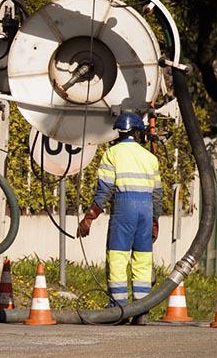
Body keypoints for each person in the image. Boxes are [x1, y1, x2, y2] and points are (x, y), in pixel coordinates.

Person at [77, 112, 163, 325]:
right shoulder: (150, 158)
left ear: (119, 132)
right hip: (145, 210)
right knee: (143, 259)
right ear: (137, 132)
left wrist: (89, 218)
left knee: (117, 257)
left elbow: (104, 191)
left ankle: (119, 309)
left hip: (124, 209)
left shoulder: (111, 154)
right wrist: (154, 220)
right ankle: (141, 310)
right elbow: (158, 194)